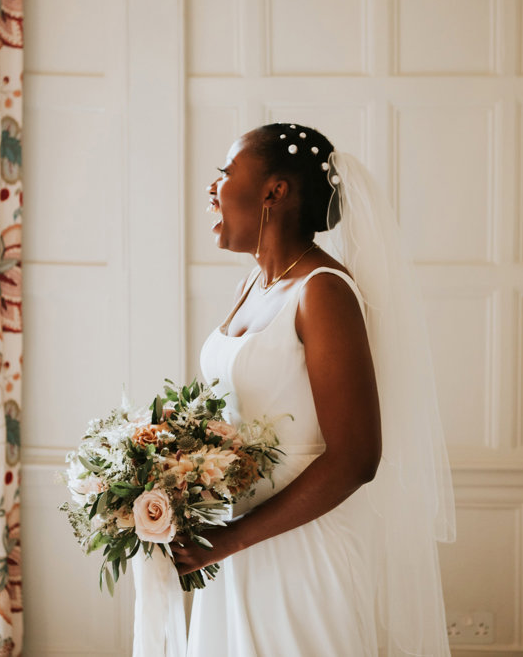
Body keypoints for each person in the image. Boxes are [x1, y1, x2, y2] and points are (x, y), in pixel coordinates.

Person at [169, 123, 455, 656]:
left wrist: (232, 538)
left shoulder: (323, 291)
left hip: (300, 551)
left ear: (275, 192)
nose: (212, 187)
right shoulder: (254, 285)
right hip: (235, 543)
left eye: (225, 172)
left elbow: (356, 459)